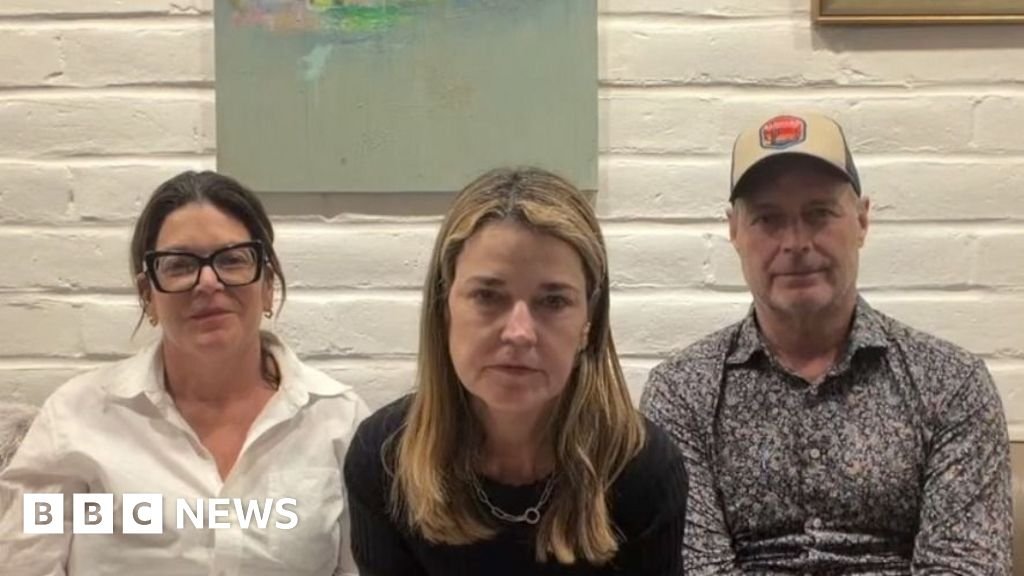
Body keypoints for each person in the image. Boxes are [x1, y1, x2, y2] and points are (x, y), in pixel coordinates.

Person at [641, 113, 1012, 575]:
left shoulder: (953, 385)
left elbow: (965, 566)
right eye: (768, 219)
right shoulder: (682, 393)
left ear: (862, 220)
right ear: (734, 231)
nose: (795, 242)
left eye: (819, 213)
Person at [0, 170, 369, 576]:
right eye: (179, 265)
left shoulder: (337, 421)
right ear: (148, 296)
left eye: (232, 259)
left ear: (267, 284)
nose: (208, 282)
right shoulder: (76, 417)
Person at [343, 167, 688, 575]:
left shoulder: (643, 467)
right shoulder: (383, 458)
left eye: (553, 301)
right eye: (487, 296)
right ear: (445, 308)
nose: (520, 333)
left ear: (588, 323)